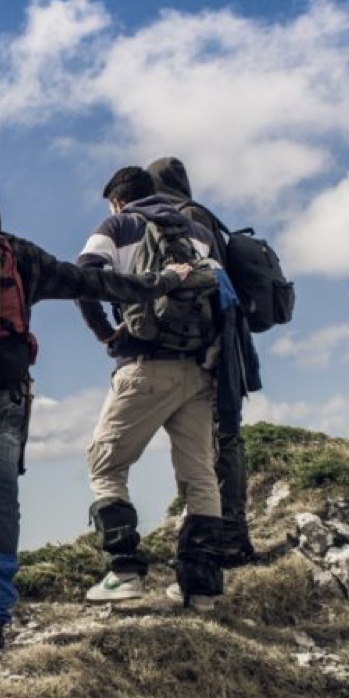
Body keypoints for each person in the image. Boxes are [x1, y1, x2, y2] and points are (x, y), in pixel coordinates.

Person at [0, 177, 191, 651]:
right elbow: (91, 281)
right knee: (2, 506)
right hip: (8, 400)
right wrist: (163, 282)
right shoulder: (19, 252)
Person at [76, 166, 227, 609]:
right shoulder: (197, 232)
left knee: (105, 464)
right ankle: (201, 588)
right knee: (199, 474)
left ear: (118, 201)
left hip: (145, 365)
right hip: (198, 369)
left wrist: (107, 334)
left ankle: (123, 572)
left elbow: (84, 278)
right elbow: (220, 295)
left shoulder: (117, 225)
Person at [146, 156, 263, 567]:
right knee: (220, 435)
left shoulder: (180, 218)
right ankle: (227, 533)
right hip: (227, 341)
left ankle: (223, 537)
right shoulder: (203, 215)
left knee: (217, 437)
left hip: (208, 348)